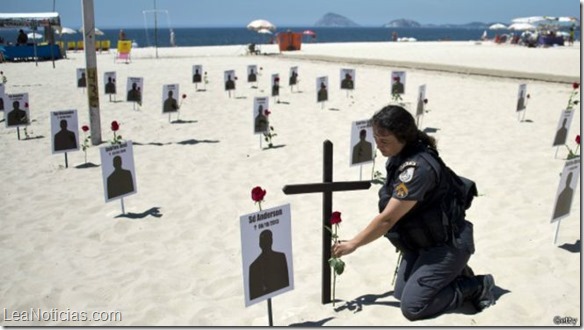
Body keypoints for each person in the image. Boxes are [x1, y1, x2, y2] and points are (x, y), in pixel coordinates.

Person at [332, 105, 495, 321]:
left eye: (384, 141)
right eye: (376, 139)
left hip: (447, 244)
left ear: (403, 137)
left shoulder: (418, 169)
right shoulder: (399, 156)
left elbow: (388, 219)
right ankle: (456, 272)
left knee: (414, 307)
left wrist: (353, 243)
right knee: (400, 293)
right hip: (421, 244)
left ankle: (476, 285)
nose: (378, 146)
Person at [249, 229, 289, 300]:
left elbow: (285, 281)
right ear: (260, 243)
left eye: (269, 239)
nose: (267, 242)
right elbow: (254, 294)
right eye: (265, 240)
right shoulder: (254, 266)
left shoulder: (281, 257)